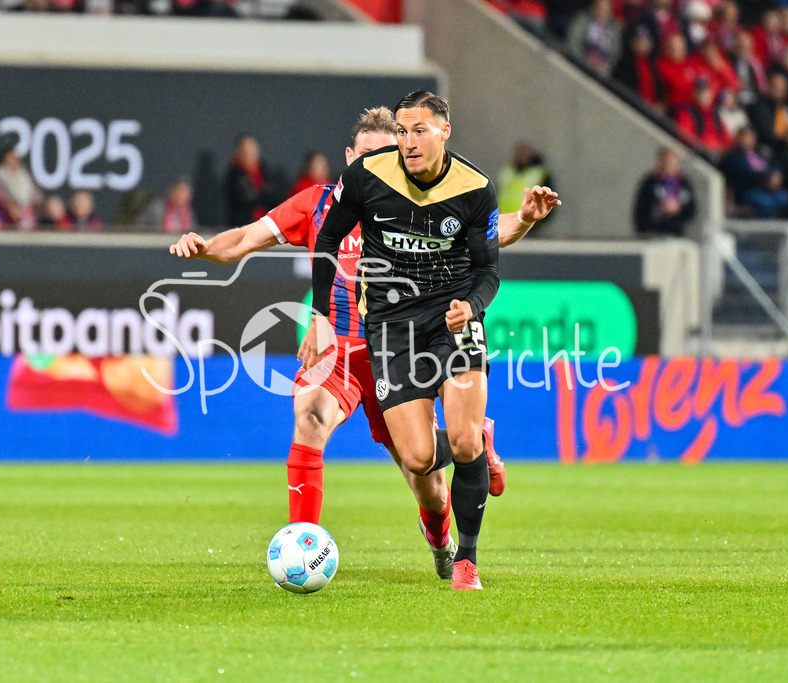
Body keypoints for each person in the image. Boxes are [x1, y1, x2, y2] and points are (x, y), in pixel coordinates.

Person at [171, 106, 559, 586]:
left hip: (398, 346)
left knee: (429, 482)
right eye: (370, 156)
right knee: (309, 415)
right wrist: (206, 247)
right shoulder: (316, 204)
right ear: (350, 157)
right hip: (340, 355)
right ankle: (303, 545)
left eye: (390, 152)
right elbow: (248, 238)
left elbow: (484, 234)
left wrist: (521, 218)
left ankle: (450, 514)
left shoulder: (411, 202)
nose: (381, 165)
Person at [309, 91, 505, 591]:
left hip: (454, 321)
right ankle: (480, 446)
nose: (409, 141)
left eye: (420, 130)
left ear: (444, 132)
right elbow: (328, 240)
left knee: (459, 440)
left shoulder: (476, 188)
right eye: (402, 130)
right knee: (417, 459)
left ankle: (467, 560)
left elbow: (488, 271)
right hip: (393, 327)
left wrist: (473, 307)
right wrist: (320, 316)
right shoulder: (366, 177)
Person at [633, 147, 697, 236]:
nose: (668, 167)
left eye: (672, 163)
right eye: (666, 163)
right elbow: (641, 209)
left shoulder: (684, 183)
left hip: (676, 233)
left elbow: (691, 210)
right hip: (653, 233)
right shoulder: (650, 182)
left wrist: (677, 210)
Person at [223, 133, 276, 226]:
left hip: (266, 226)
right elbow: (243, 200)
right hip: (243, 226)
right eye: (246, 151)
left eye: (253, 150)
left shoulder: (264, 171)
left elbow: (273, 196)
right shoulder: (234, 174)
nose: (251, 154)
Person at [496, 140, 555, 220]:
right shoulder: (507, 171)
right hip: (504, 219)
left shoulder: (539, 173)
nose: (521, 156)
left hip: (528, 221)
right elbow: (496, 192)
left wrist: (539, 220)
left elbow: (548, 199)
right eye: (519, 153)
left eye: (524, 153)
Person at [0, 144, 42, 229]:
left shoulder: (25, 177)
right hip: (5, 215)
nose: (13, 162)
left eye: (15, 159)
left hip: (27, 213)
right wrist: (11, 205)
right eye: (9, 159)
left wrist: (30, 206)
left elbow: (36, 197)